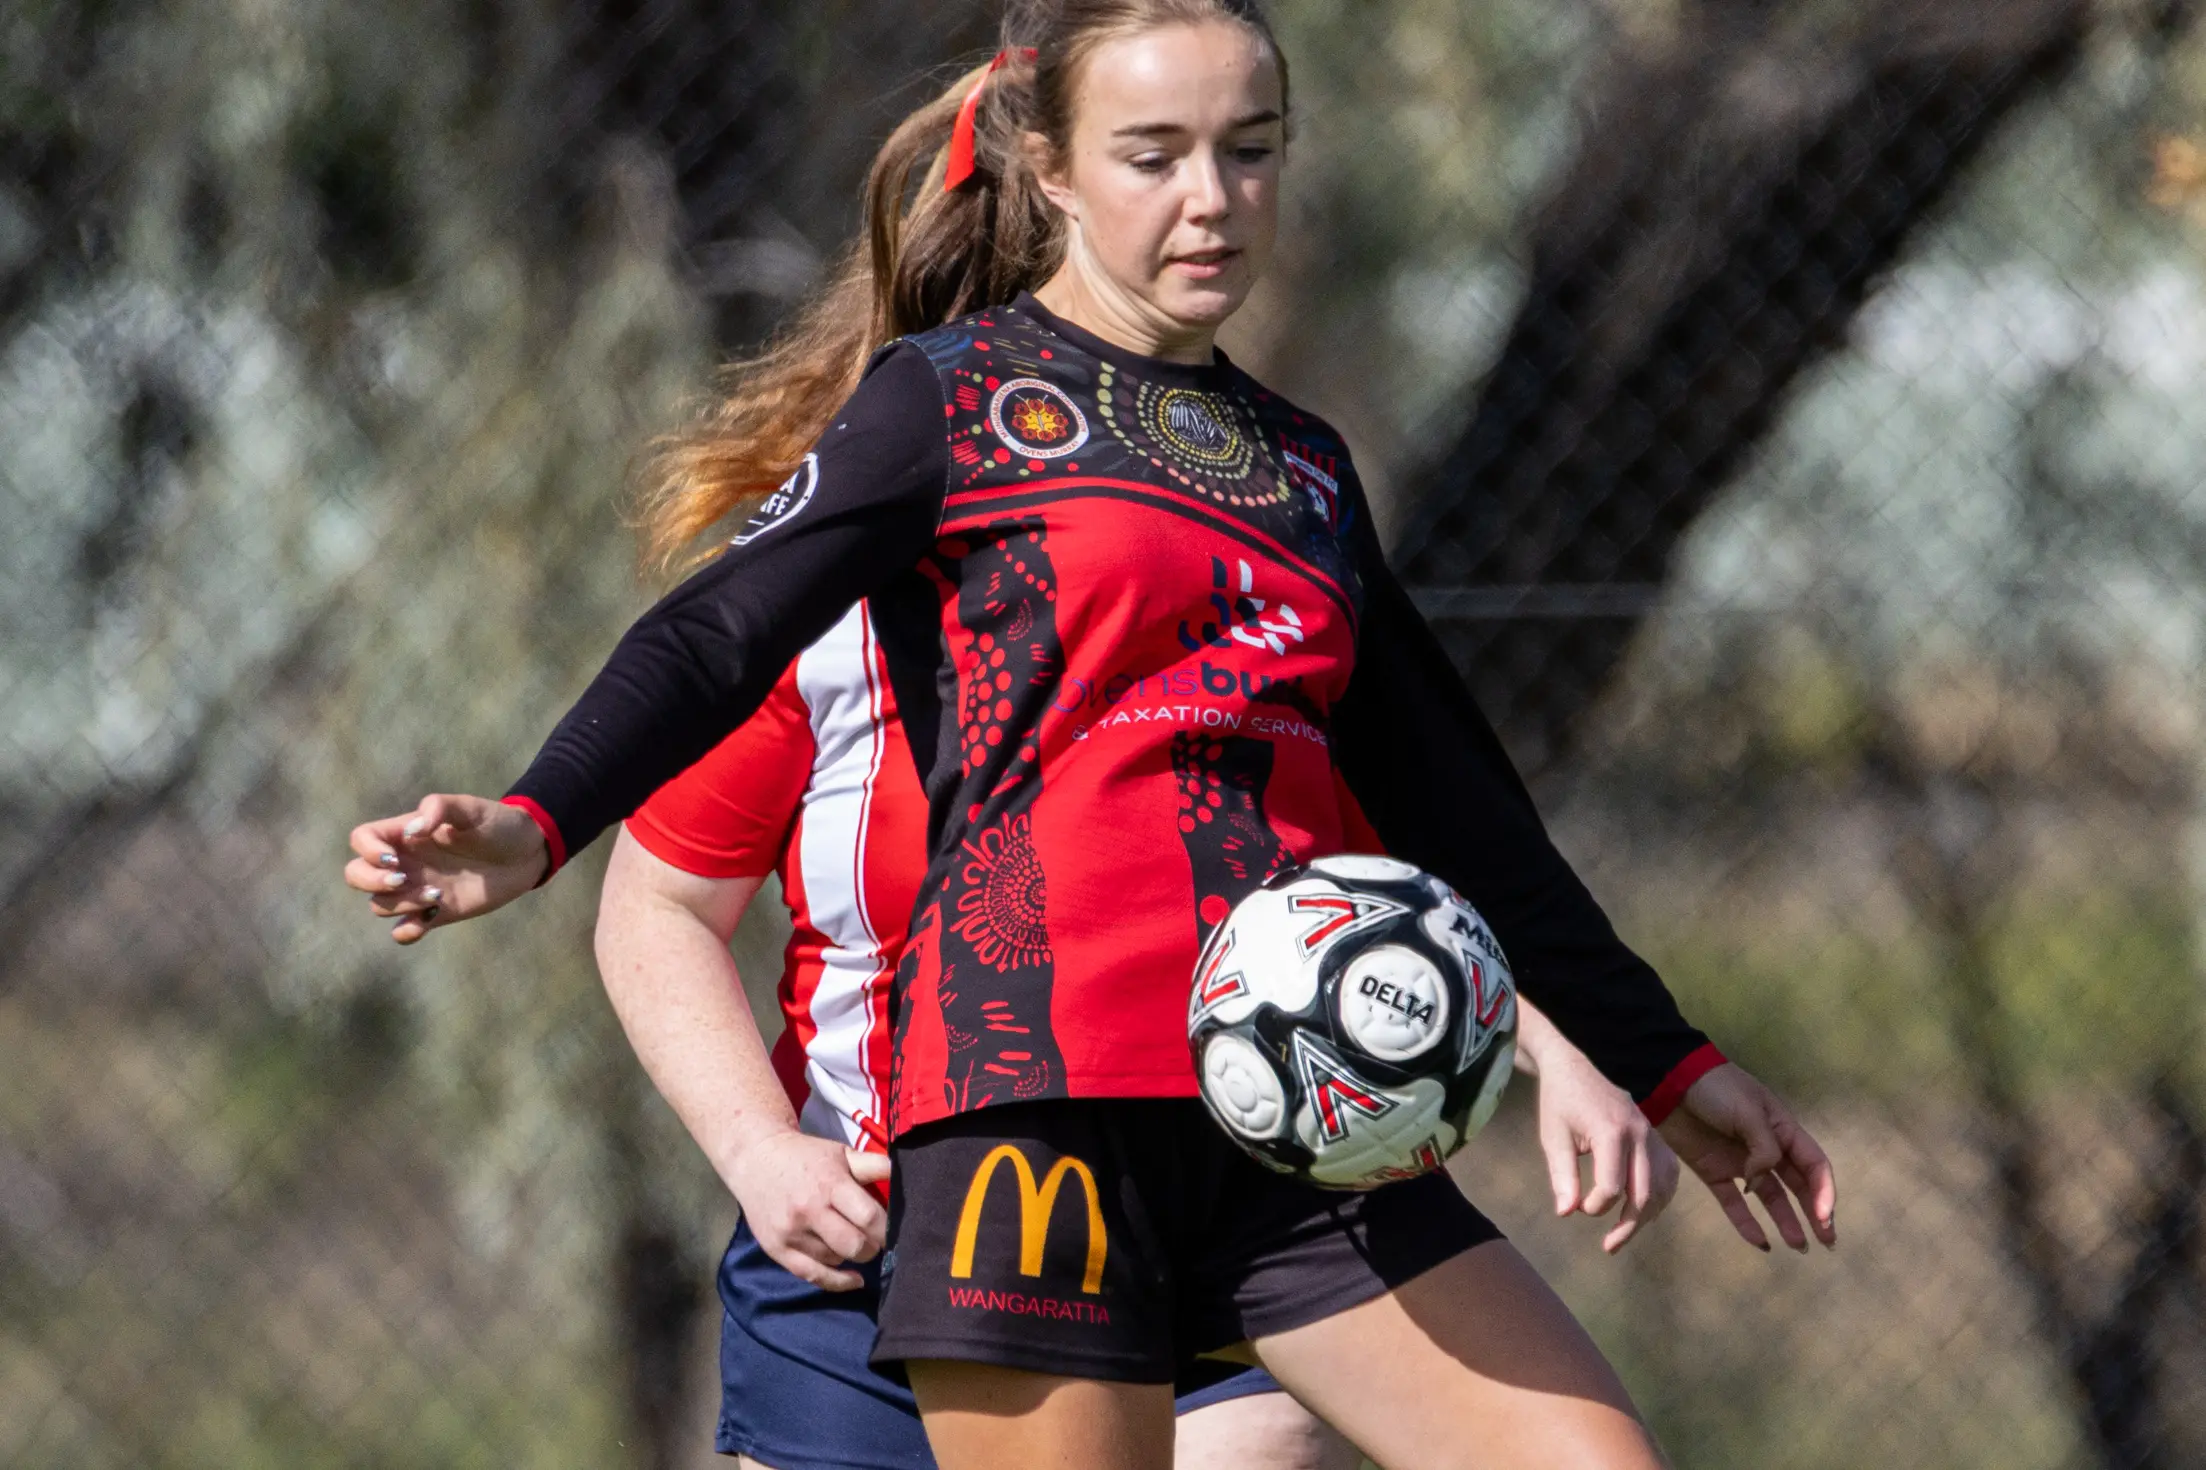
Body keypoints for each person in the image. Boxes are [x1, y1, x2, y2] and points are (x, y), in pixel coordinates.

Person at [350, 4, 1835, 1465]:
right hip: (1029, 1106)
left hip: (1293, 1112)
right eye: (1154, 155)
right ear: (1049, 170)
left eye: (1249, 151)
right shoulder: (950, 403)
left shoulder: (1301, 465)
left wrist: (1663, 1062)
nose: (1212, 199)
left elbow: (1460, 808)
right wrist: (538, 819)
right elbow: (719, 628)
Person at [347, 596, 1688, 1470]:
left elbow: (1359, 922)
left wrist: (1540, 1040)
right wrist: (761, 1153)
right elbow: (655, 906)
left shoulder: (1226, 615)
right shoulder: (826, 622)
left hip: (1193, 1251)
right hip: (859, 1254)